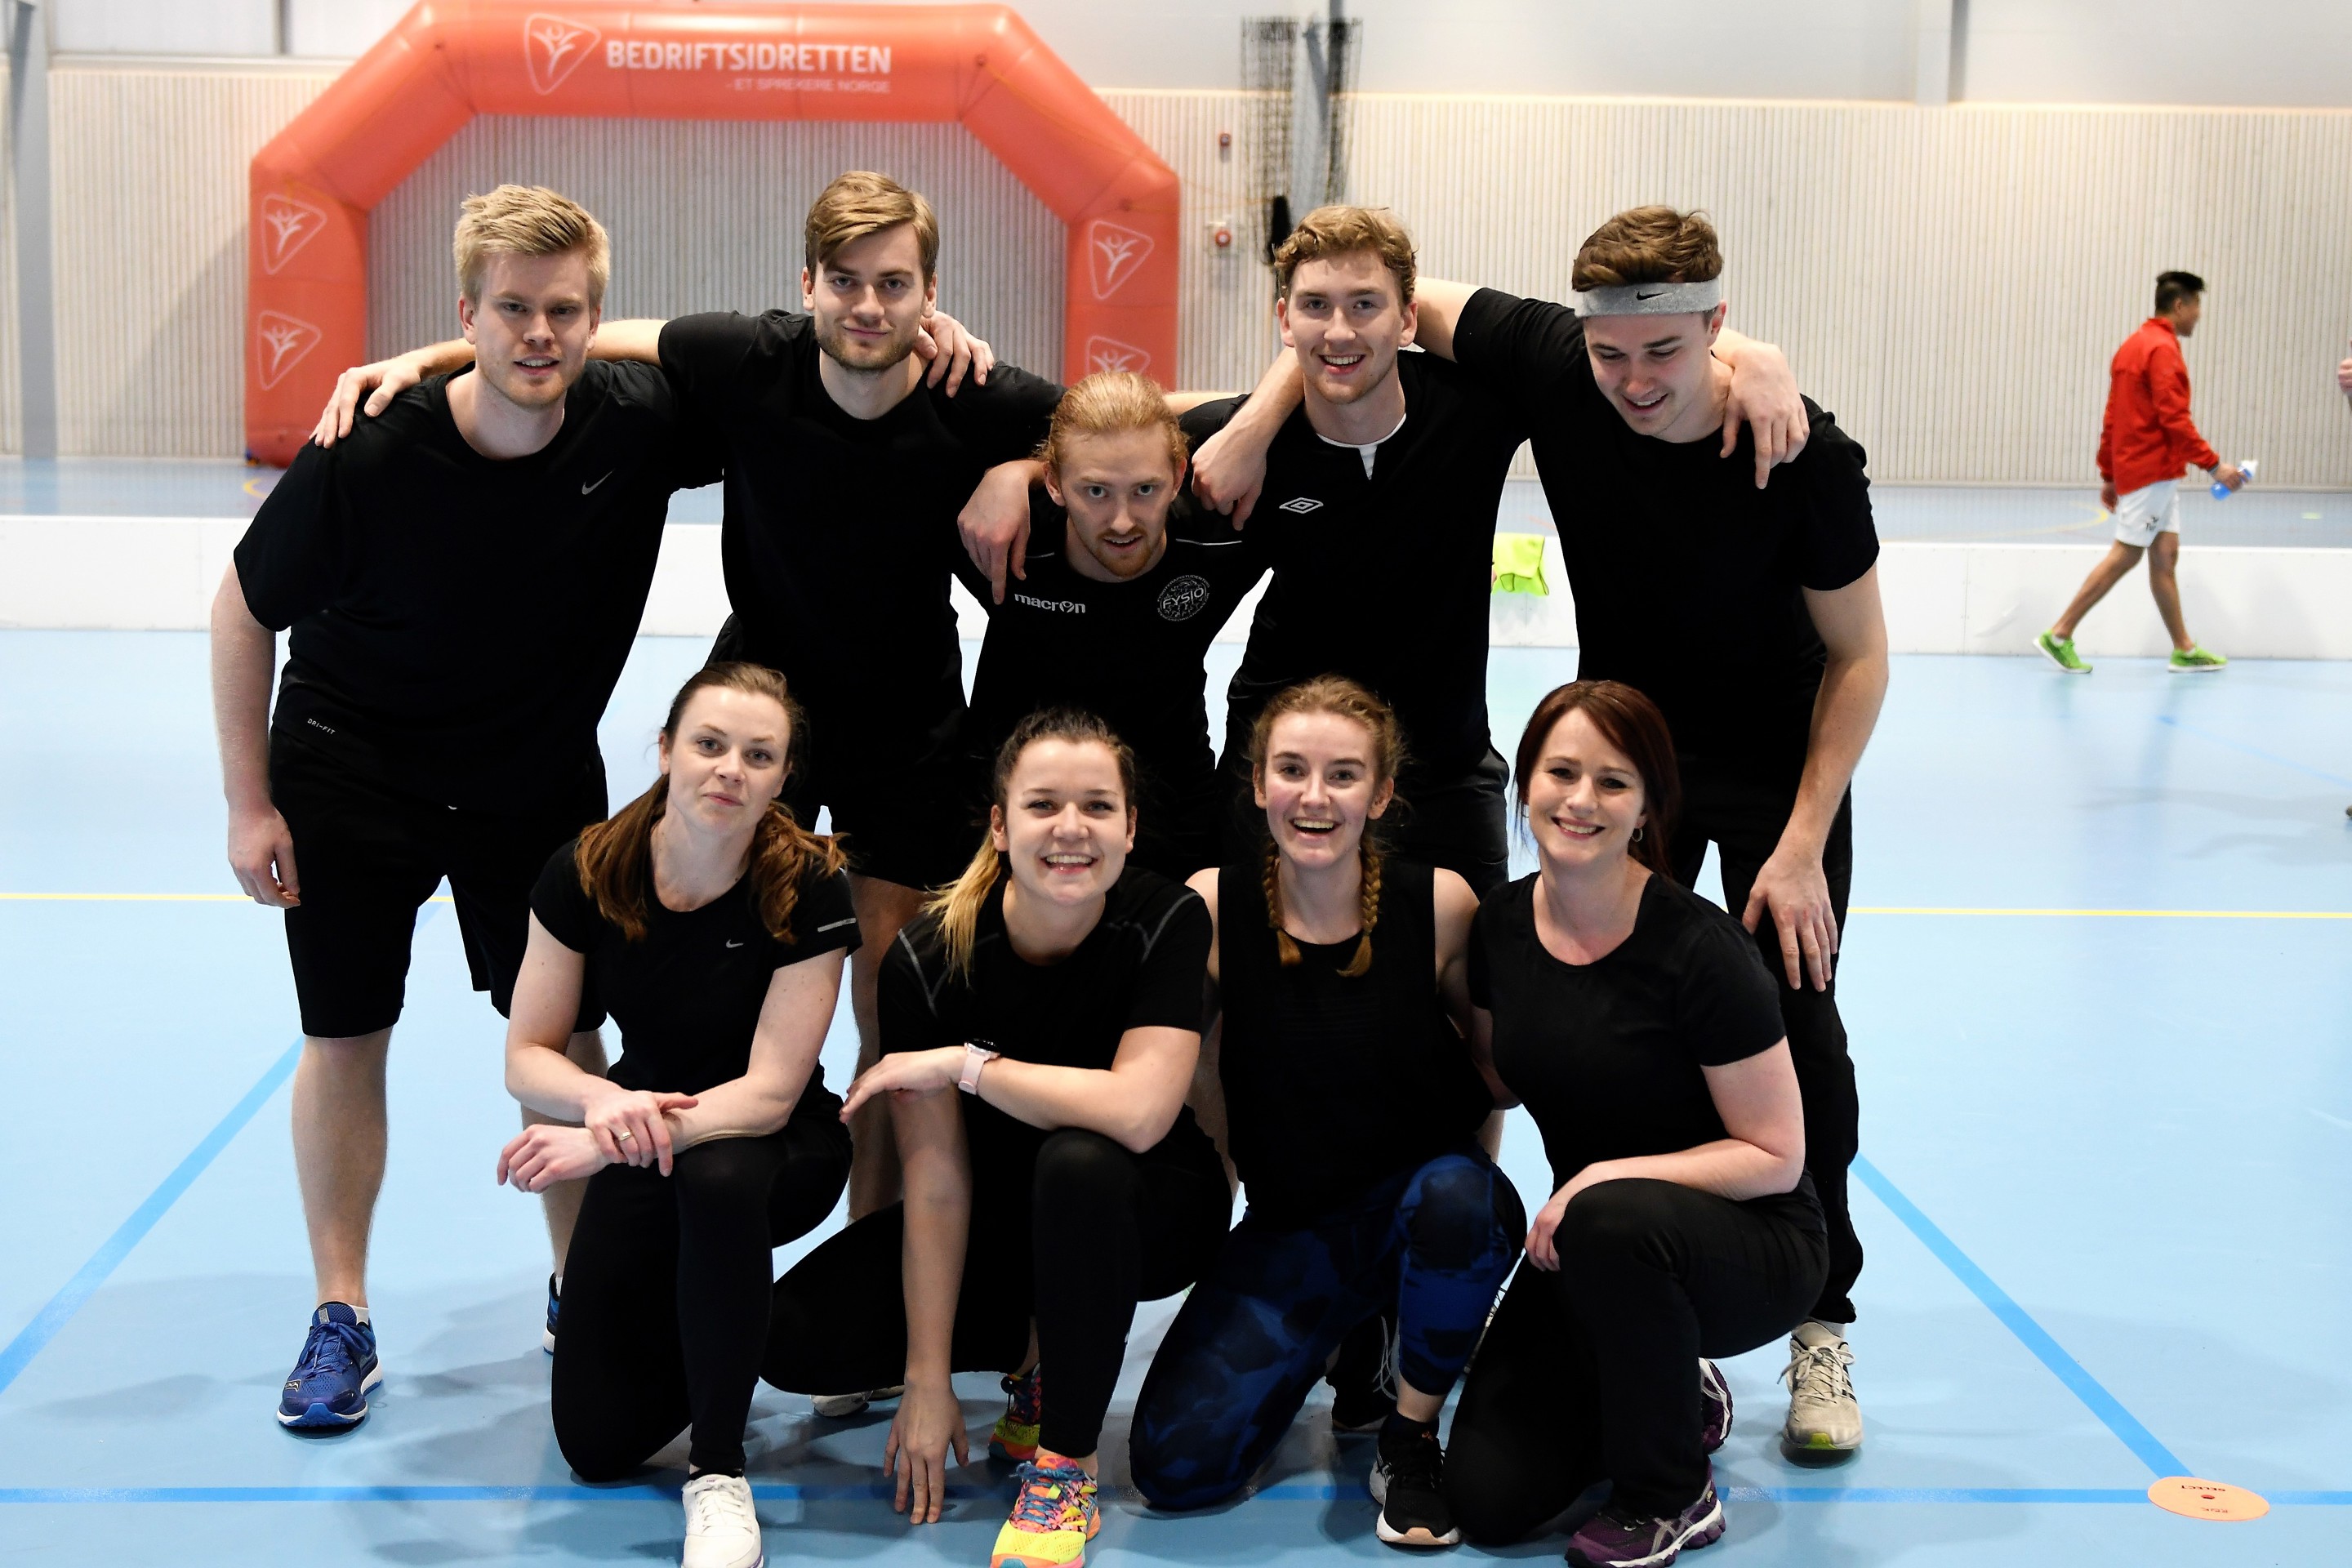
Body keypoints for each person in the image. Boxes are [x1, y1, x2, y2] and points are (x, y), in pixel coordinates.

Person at [314, 171, 1044, 1250]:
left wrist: (1022, 465)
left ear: (931, 294)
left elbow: (1125, 426)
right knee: (704, 974)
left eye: (894, 284)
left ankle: (872, 1257)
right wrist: (429, 360)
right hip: (762, 716)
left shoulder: (974, 396)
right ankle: (673, 1225)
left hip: (912, 728)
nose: (868, 305)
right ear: (807, 284)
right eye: (845, 281)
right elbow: (590, 338)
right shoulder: (746, 358)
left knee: (894, 1004)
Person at [214, 185, 725, 1430]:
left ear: (595, 318)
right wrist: (248, 805)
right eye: (511, 310)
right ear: (467, 316)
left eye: (565, 310)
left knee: (563, 1036)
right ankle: (341, 1314)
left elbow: (789, 374)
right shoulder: (369, 450)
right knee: (347, 1033)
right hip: (350, 766)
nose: (539, 333)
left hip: (530, 779)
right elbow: (242, 609)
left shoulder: (636, 421)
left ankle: (580, 1289)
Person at [1383, 207, 1884, 1460]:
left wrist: (1801, 845)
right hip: (1628, 767)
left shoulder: (1802, 453)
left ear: (1717, 326)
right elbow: (1390, 296)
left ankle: (1820, 1318)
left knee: (1796, 1026)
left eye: (1667, 350)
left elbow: (1861, 657)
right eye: (1613, 353)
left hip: (1774, 777)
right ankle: (1646, 1280)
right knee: (1607, 1021)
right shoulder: (1564, 366)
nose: (1636, 381)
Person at [1156, 206, 1811, 900]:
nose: (1340, 328)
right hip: (1287, 765)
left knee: (1475, 956)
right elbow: (1114, 422)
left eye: (1366, 305)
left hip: (1443, 769)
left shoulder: (1476, 410)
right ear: (1284, 321)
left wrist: (1750, 355)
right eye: (1315, 306)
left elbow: (1630, 330)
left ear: (1408, 319)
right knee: (1253, 955)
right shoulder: (1241, 440)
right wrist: (1245, 425)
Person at [760, 709, 1231, 1568]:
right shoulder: (927, 958)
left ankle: (1066, 1463)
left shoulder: (1166, 919)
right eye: (1043, 805)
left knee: (1080, 1159)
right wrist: (927, 1378)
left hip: (1148, 1207)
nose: (1071, 828)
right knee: (793, 1337)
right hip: (1003, 1225)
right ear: (1000, 825)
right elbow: (938, 1183)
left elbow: (1138, 1113)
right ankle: (1038, 1357)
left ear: (1130, 827)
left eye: (1097, 806)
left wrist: (966, 1065)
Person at [1126, 676, 1520, 1549]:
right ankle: (1358, 1336)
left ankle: (1409, 1435)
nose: (1314, 797)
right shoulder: (1214, 904)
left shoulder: (1441, 903)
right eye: (1291, 770)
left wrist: (1459, 1230)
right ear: (1256, 782)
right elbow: (1159, 1074)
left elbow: (1497, 1080)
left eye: (1343, 775)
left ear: (1380, 794)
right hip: (1294, 1227)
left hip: (1420, 1205)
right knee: (1175, 1469)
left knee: (1459, 1200)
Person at [1445, 681, 1825, 1568]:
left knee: (1613, 1222)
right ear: (1526, 783)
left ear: (1649, 807)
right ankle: (1670, 1386)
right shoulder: (1501, 926)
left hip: (1747, 1241)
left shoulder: (1702, 951)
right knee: (1489, 1500)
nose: (1581, 800)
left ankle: (1671, 1495)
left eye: (1613, 783)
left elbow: (1776, 1155)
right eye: (1561, 773)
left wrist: (1600, 1178)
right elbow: (1495, 1082)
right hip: (1591, 1244)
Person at [497, 663, 858, 1568]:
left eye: (759, 756)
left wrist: (604, 1145)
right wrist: (604, 1103)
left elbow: (770, 1092)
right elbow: (528, 1053)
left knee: (718, 1176)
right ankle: (742, 1325)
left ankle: (719, 1472)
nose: (730, 769)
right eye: (709, 744)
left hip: (780, 1146)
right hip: (642, 1133)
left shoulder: (810, 884)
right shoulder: (588, 869)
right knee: (597, 1443)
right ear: (665, 751)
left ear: (783, 779)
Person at [956, 372, 1267, 880]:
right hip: (1010, 814)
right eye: (1096, 491)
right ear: (1054, 483)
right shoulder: (1003, 535)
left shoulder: (1219, 532)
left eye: (1145, 489)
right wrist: (1007, 476)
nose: (1122, 521)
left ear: (1179, 474)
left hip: (1171, 811)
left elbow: (1307, 387)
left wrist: (1019, 469)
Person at [2038, 270, 2241, 675]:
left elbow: (2112, 416)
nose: (2199, 315)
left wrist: (2109, 473)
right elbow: (2174, 419)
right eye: (2197, 306)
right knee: (2127, 554)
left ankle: (2184, 648)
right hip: (2152, 472)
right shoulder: (2162, 350)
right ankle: (2059, 634)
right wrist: (2215, 466)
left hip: (2150, 473)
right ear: (2180, 305)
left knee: (2165, 556)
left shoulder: (2132, 346)